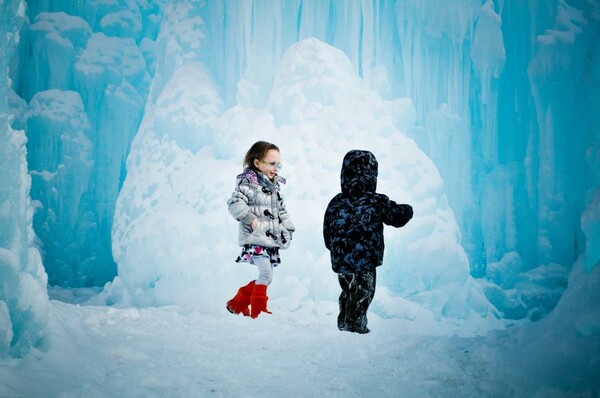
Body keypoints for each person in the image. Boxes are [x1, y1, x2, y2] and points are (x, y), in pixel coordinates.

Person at [323, 150, 413, 333]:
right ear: (372, 175)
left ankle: (344, 322)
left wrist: (334, 247)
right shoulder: (375, 201)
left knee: (348, 290)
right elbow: (396, 217)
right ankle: (356, 326)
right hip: (365, 257)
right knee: (363, 290)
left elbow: (327, 228)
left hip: (341, 258)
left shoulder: (336, 202)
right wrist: (408, 210)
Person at [226, 141, 295, 318]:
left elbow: (281, 210)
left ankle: (239, 301)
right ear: (257, 163)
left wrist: (288, 228)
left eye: (278, 164)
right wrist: (251, 219)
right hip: (255, 237)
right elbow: (235, 203)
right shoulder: (248, 184)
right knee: (266, 273)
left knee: (267, 275)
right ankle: (259, 312)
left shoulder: (274, 187)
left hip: (269, 239)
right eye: (272, 163)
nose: (276, 168)